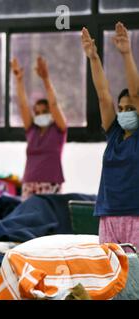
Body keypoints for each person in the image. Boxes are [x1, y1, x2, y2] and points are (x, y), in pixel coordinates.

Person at [82, 23, 139, 252]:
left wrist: (126, 53)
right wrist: (93, 58)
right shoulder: (114, 132)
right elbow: (103, 96)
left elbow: (136, 92)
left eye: (131, 108)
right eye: (122, 108)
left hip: (136, 215)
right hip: (108, 214)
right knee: (111, 277)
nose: (125, 112)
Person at [11, 56, 67, 201]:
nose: (40, 115)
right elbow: (23, 105)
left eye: (44, 111)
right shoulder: (32, 130)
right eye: (37, 112)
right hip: (29, 183)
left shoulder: (59, 129)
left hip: (51, 183)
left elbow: (54, 104)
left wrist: (46, 79)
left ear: (51, 113)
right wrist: (19, 80)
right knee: (27, 220)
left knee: (49, 221)